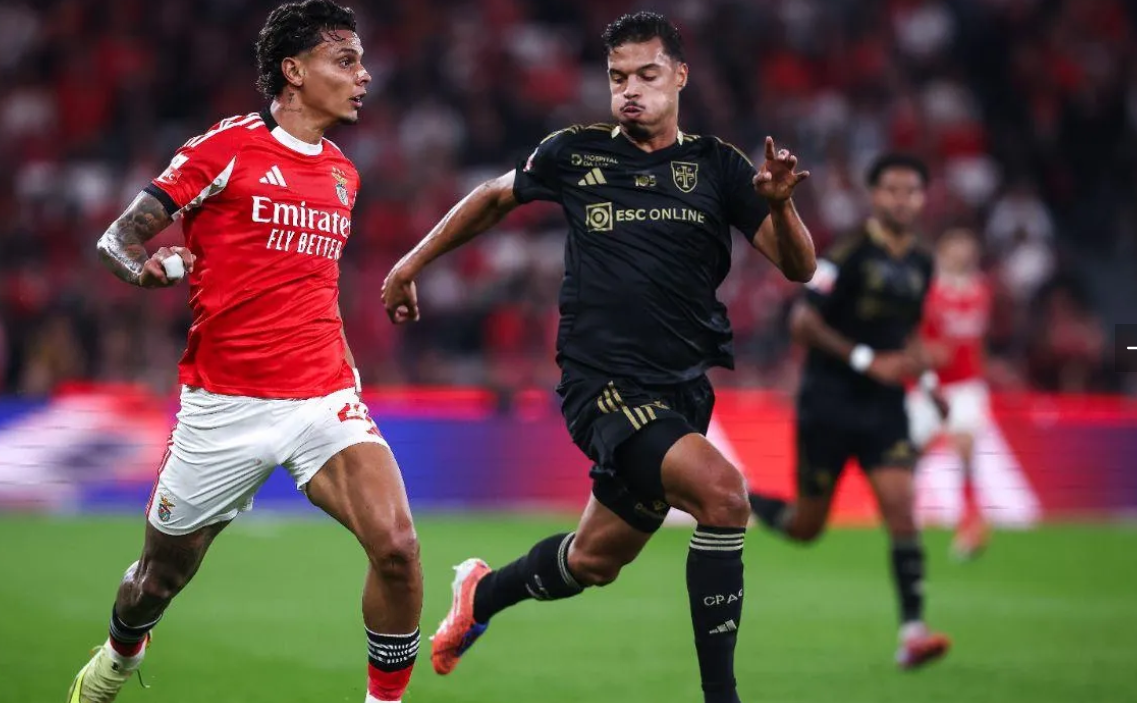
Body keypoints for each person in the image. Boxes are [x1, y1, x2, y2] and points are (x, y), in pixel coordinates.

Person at [382, 12, 815, 703]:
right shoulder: (574, 153)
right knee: (724, 495)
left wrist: (783, 207)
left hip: (681, 391)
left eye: (646, 75)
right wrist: (411, 263)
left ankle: (481, 594)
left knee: (592, 561)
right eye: (618, 78)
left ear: (679, 76)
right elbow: (493, 198)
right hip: (603, 385)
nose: (630, 90)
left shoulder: (719, 166)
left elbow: (798, 267)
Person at [67, 3, 422, 702]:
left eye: (360, 61)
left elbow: (309, 284)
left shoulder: (344, 175)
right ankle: (117, 657)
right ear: (294, 71)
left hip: (322, 395)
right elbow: (117, 240)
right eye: (345, 61)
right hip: (224, 406)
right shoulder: (224, 149)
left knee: (397, 547)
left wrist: (357, 352)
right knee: (157, 580)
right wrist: (147, 269)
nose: (363, 76)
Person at [747, 153, 952, 669]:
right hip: (829, 404)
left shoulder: (923, 262)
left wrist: (929, 382)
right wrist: (865, 359)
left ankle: (913, 632)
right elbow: (802, 322)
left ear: (922, 199)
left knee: (901, 506)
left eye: (911, 191)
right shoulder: (847, 253)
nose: (902, 200)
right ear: (874, 196)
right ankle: (743, 496)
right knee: (805, 527)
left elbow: (908, 333)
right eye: (892, 190)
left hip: (884, 407)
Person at [907, 227, 993, 560]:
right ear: (943, 251)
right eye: (957, 245)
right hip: (930, 384)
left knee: (965, 445)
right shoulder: (927, 291)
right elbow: (912, 337)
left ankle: (971, 522)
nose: (964, 252)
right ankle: (905, 516)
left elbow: (975, 341)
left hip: (966, 385)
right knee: (912, 452)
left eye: (968, 246)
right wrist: (927, 354)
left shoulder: (981, 290)